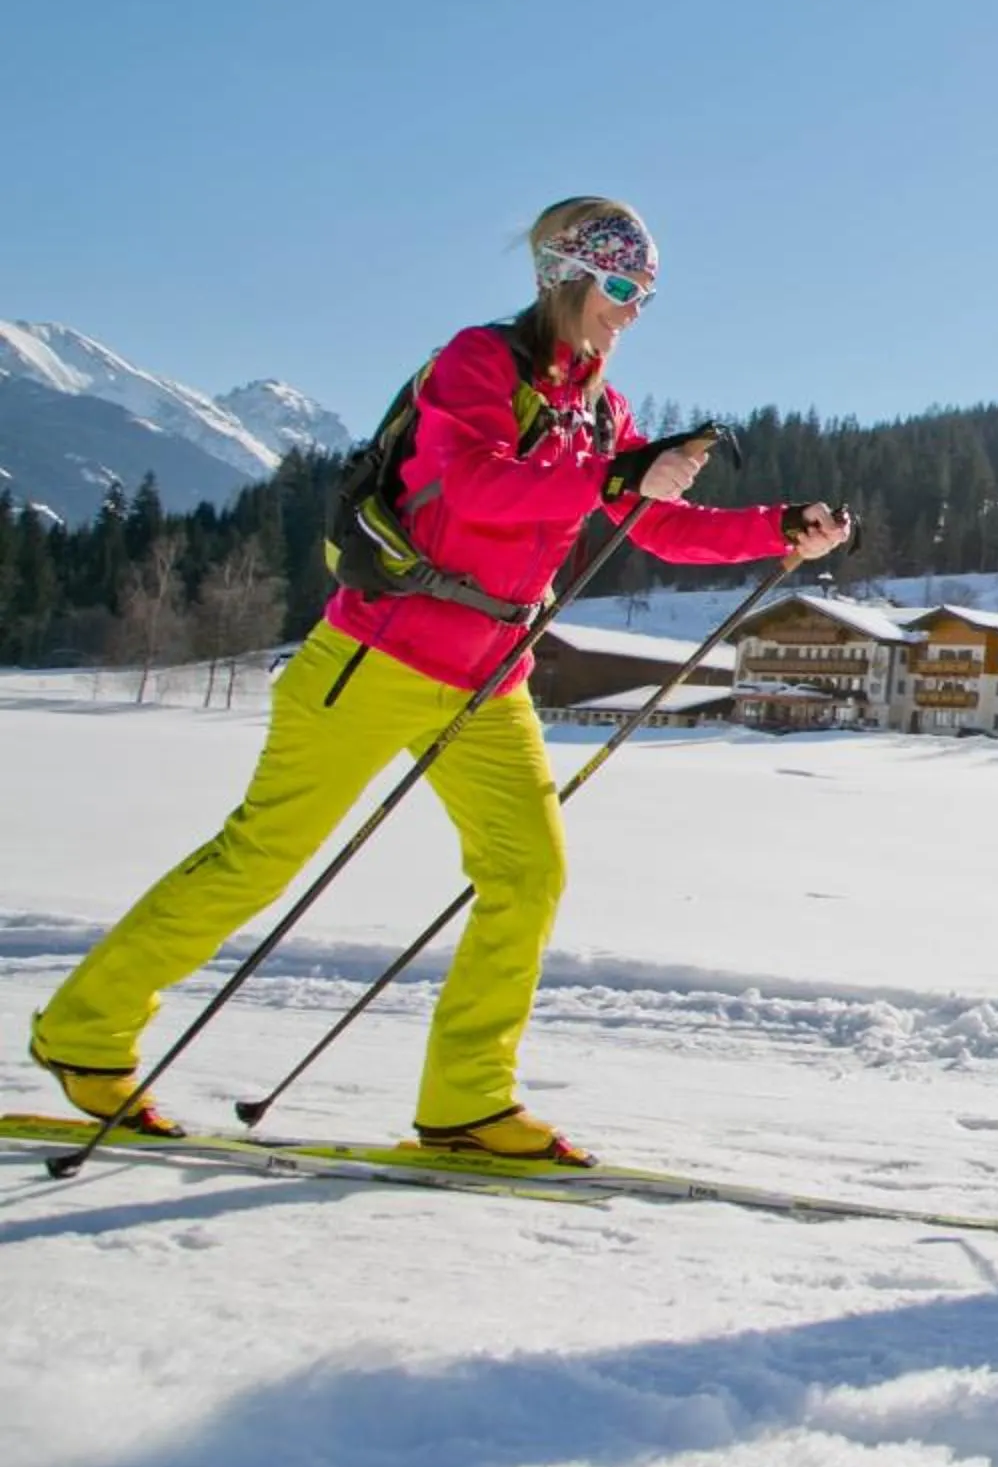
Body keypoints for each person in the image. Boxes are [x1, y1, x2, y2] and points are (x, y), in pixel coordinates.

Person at [27, 199, 851, 1165]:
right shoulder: (478, 363)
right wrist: (615, 480)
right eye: (620, 288)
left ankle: (467, 1101)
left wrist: (776, 527)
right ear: (565, 276)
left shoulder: (601, 411)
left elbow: (652, 523)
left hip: (490, 683)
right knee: (255, 860)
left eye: (646, 296)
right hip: (376, 660)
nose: (630, 312)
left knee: (528, 873)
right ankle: (84, 1035)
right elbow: (474, 486)